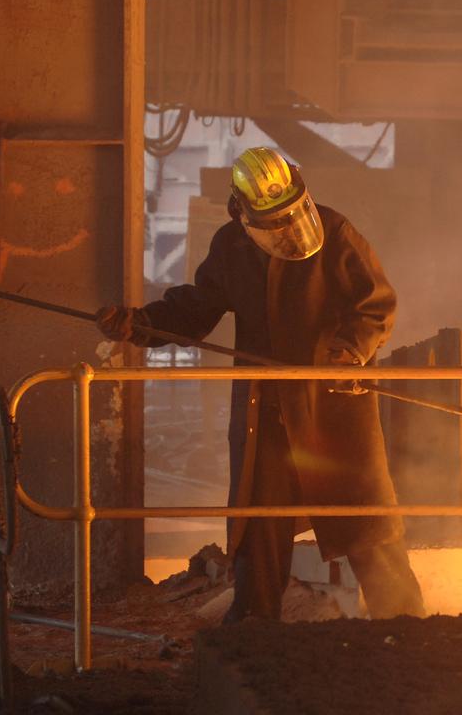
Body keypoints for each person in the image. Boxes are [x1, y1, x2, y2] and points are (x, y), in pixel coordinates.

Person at [98, 146, 425, 622]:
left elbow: (376, 304)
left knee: (363, 520)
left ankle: (407, 626)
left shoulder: (335, 233)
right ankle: (255, 632)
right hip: (266, 414)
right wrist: (140, 323)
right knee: (261, 531)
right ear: (242, 211)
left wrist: (349, 350)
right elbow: (195, 309)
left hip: (330, 406)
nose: (286, 230)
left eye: (291, 215)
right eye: (271, 221)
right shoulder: (232, 248)